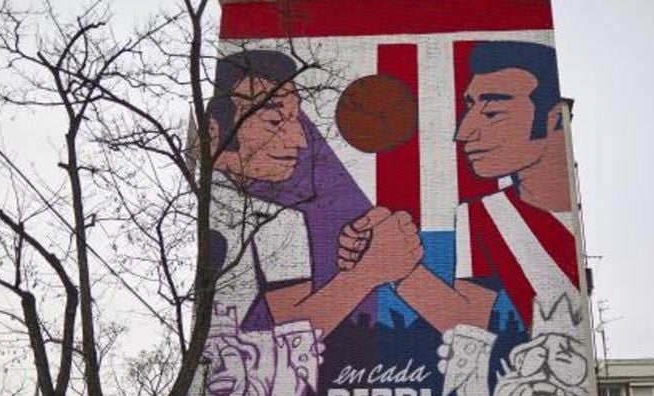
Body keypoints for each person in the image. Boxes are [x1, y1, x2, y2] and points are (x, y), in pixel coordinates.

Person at [339, 41, 579, 333]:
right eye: (470, 107)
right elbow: (469, 323)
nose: (463, 132)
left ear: (552, 119)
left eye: (492, 113)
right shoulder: (483, 214)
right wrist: (393, 265)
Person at [207, 50, 418, 337]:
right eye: (273, 121)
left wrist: (368, 269)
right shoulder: (203, 212)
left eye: (296, 119)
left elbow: (292, 347)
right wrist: (367, 273)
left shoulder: (284, 223)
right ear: (213, 133)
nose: (300, 140)